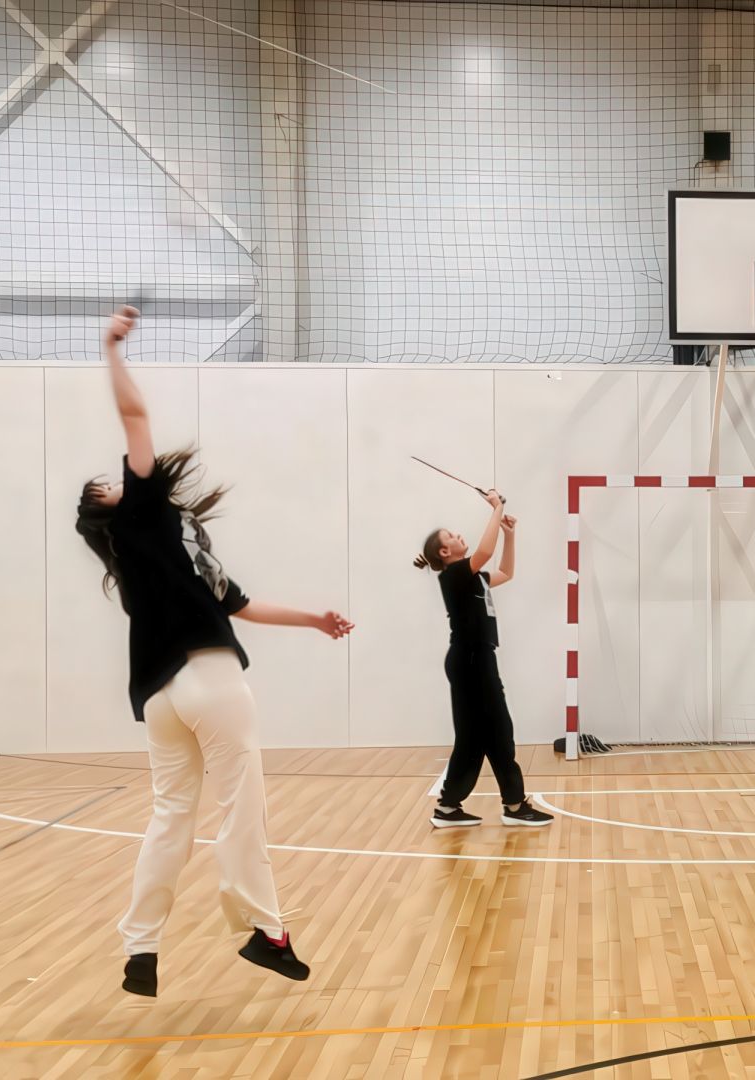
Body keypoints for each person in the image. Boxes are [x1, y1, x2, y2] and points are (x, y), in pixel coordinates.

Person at [74, 305, 353, 997]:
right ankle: (266, 931)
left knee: (171, 817)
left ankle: (140, 950)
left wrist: (315, 620)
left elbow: (241, 605)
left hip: (160, 697)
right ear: (108, 505)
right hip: (209, 679)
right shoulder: (140, 512)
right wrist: (113, 349)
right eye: (107, 483)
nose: (117, 476)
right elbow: (135, 416)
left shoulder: (160, 549)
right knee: (241, 807)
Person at [414, 491, 552, 829]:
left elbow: (505, 570)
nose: (459, 535)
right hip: (471, 660)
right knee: (499, 730)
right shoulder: (454, 575)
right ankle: (514, 805)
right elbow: (485, 553)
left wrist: (509, 534)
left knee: (473, 738)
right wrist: (497, 507)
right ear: (445, 552)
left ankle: (449, 807)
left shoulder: (472, 576)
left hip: (473, 660)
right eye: (452, 536)